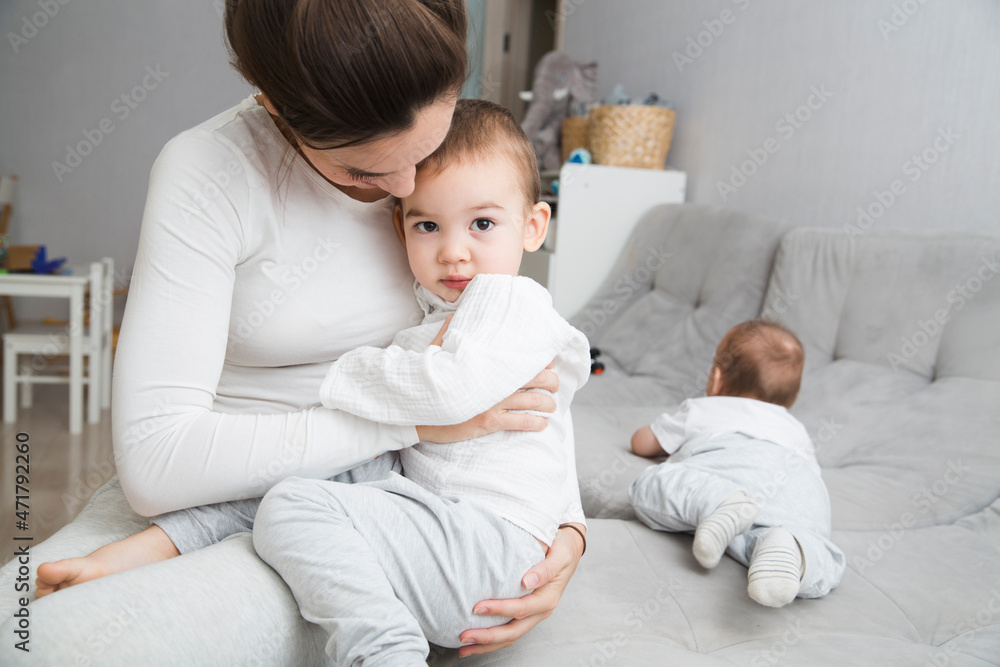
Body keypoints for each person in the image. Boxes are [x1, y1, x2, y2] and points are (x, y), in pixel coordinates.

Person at [0, 2, 585, 663]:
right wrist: (414, 425)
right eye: (364, 172)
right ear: (274, 107)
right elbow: (159, 465)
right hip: (217, 482)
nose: (406, 187)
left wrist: (565, 529)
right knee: (14, 613)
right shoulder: (212, 171)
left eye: (424, 148)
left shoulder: (463, 176)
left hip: (355, 501)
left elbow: (532, 385)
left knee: (55, 646)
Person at [252, 98, 591, 665]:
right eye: (428, 225)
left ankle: (385, 652)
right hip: (464, 539)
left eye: (483, 224)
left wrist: (340, 372)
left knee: (291, 506)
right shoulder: (442, 317)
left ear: (533, 226)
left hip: (489, 544)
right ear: (400, 226)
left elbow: (448, 392)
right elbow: (555, 440)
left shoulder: (509, 300)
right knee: (332, 470)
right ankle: (167, 542)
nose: (454, 252)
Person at [628, 319, 845, 608]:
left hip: (731, 464)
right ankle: (792, 546)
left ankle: (719, 501)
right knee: (818, 549)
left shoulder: (704, 408)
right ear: (788, 400)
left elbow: (642, 443)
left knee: (650, 483)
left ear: (716, 379)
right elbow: (811, 476)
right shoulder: (796, 429)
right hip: (801, 489)